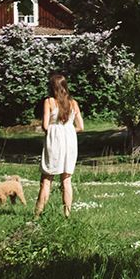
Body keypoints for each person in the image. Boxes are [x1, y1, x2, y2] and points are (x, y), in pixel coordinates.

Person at [34, 72, 84, 217]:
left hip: (54, 141)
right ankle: (67, 215)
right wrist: (67, 130)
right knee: (66, 180)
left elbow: (45, 125)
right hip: (70, 141)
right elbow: (81, 127)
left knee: (46, 179)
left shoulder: (49, 101)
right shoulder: (73, 103)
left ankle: (37, 216)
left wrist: (56, 130)